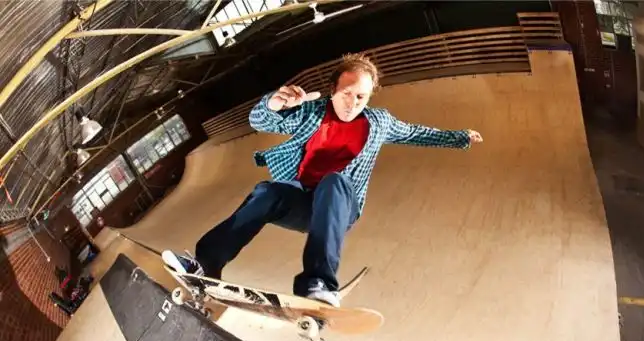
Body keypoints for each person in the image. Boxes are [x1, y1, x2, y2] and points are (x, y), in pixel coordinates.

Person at [163, 53, 483, 307]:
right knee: (267, 191)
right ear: (332, 91)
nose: (352, 104)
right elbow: (260, 120)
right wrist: (275, 103)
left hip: (341, 206)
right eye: (346, 94)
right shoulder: (312, 111)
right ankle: (206, 264)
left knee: (333, 181)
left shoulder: (380, 122)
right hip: (303, 203)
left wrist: (460, 138)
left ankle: (318, 283)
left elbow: (415, 133)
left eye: (361, 97)